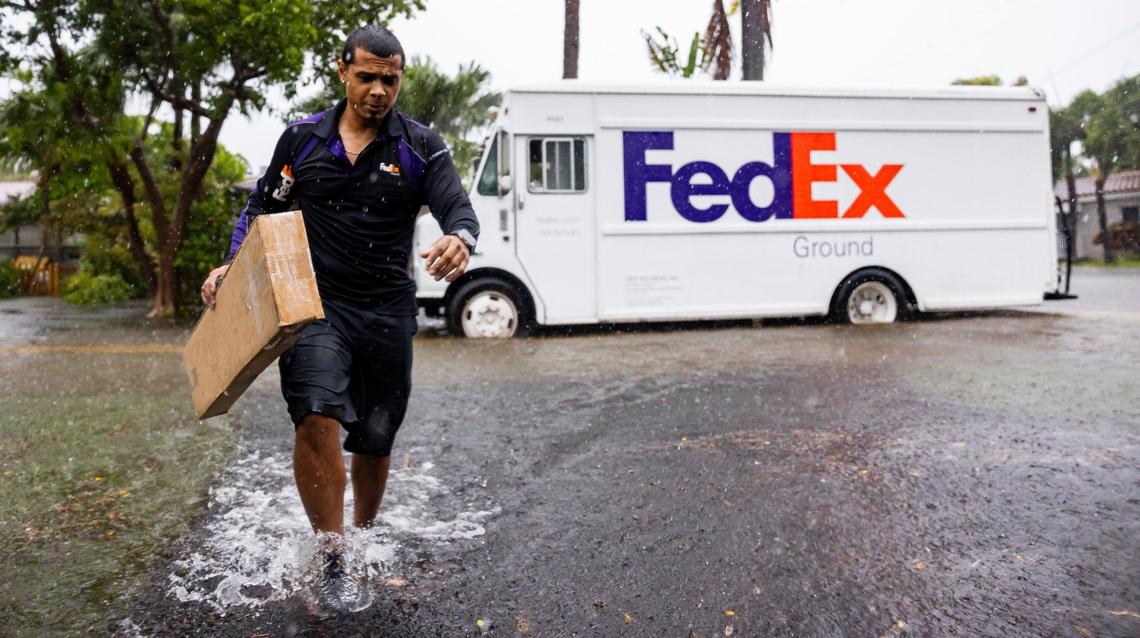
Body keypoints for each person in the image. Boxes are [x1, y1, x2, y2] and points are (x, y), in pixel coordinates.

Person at [199, 25, 479, 610]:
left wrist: (460, 236)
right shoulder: (302, 141)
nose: (379, 90)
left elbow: (457, 204)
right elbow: (261, 207)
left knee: (375, 437)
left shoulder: (421, 145)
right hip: (313, 305)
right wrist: (230, 267)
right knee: (316, 414)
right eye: (368, 76)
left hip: (387, 307)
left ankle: (366, 536)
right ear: (342, 71)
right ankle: (332, 552)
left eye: (391, 79)